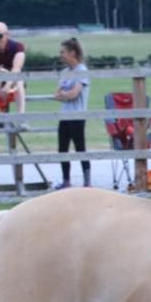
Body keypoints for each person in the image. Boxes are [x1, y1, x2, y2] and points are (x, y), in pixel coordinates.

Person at [53, 37, 91, 189]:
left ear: (72, 53)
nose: (60, 55)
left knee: (80, 148)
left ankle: (87, 182)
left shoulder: (82, 71)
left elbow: (75, 93)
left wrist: (64, 94)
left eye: (63, 52)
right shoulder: (64, 72)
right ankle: (66, 181)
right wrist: (64, 94)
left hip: (77, 115)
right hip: (64, 115)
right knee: (62, 149)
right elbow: (57, 94)